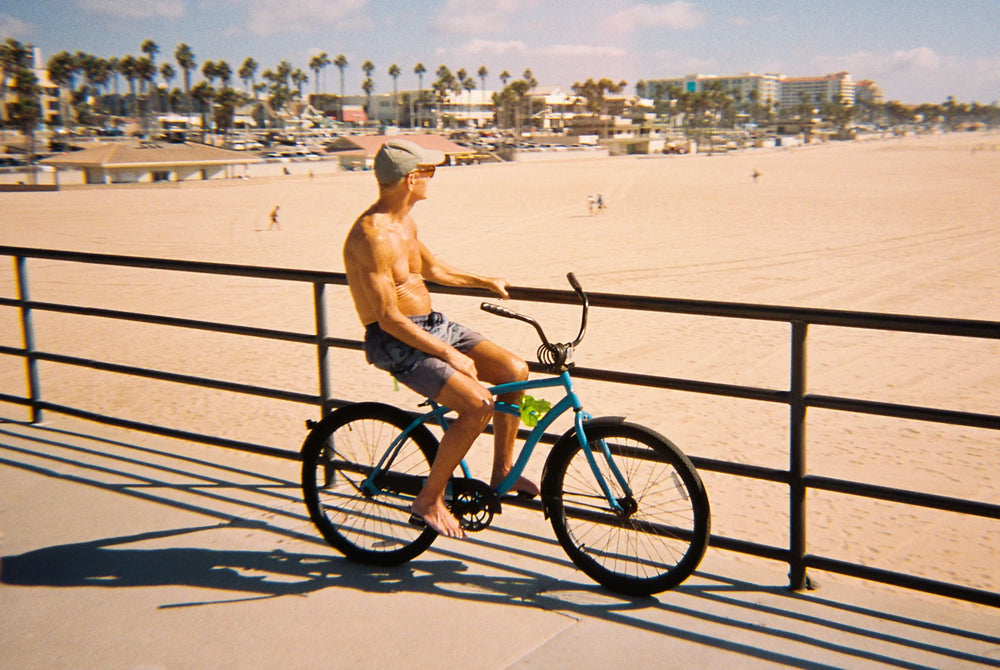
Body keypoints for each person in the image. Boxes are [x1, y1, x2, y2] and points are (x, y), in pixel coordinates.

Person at [342, 139, 536, 539]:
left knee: (515, 371)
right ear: (410, 179)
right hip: (395, 340)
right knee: (477, 405)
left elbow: (432, 270)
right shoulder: (372, 236)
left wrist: (485, 281)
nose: (432, 178)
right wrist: (449, 354)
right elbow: (388, 318)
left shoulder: (405, 223)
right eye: (429, 171)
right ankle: (428, 500)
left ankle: (503, 470)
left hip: (432, 325)